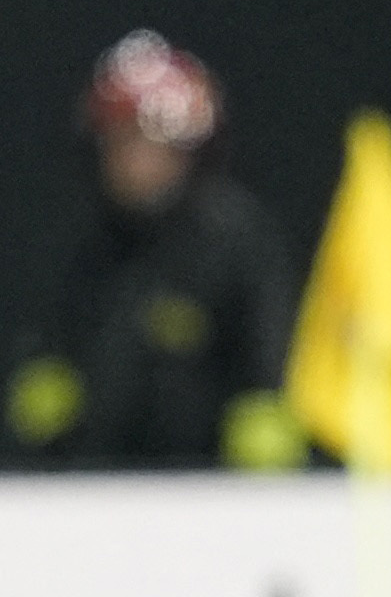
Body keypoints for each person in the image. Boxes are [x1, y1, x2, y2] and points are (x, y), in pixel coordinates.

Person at [6, 30, 305, 471]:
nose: (138, 162)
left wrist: (267, 413)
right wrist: (42, 399)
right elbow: (44, 347)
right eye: (123, 143)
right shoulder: (81, 244)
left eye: (154, 145)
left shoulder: (235, 240)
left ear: (190, 151)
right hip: (91, 486)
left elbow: (268, 348)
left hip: (212, 490)